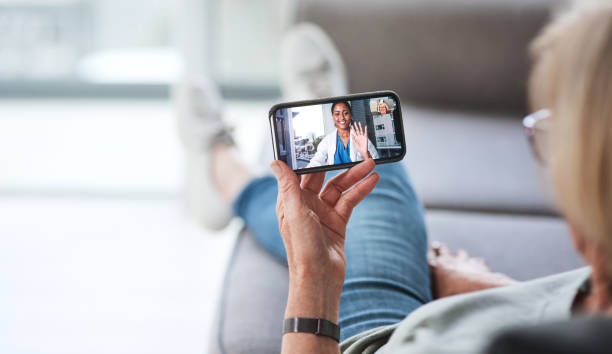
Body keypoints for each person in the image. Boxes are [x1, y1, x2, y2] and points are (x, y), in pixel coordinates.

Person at [178, 1, 612, 353]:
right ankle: (291, 136)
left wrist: (313, 279)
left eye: (554, 132)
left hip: (387, 336)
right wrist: (501, 294)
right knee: (367, 162)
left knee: (368, 171)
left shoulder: (516, 345)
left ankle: (227, 173)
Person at [306, 101, 379, 168]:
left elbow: (377, 164)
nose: (342, 118)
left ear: (351, 115)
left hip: (360, 180)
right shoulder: (327, 141)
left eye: (345, 113)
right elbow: (315, 162)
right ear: (333, 117)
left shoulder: (361, 138)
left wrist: (366, 154)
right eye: (337, 114)